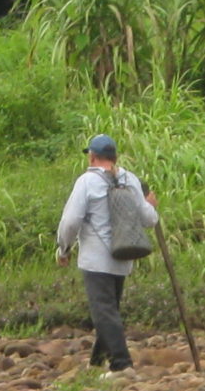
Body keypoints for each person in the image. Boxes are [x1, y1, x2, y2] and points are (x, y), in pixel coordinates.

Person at [55, 133, 157, 374]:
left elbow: (70, 221)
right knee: (109, 311)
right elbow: (149, 220)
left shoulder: (86, 182)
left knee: (103, 313)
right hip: (124, 255)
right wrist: (152, 205)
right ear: (115, 157)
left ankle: (121, 365)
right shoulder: (130, 179)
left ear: (92, 157)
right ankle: (96, 363)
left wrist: (64, 248)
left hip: (95, 259)